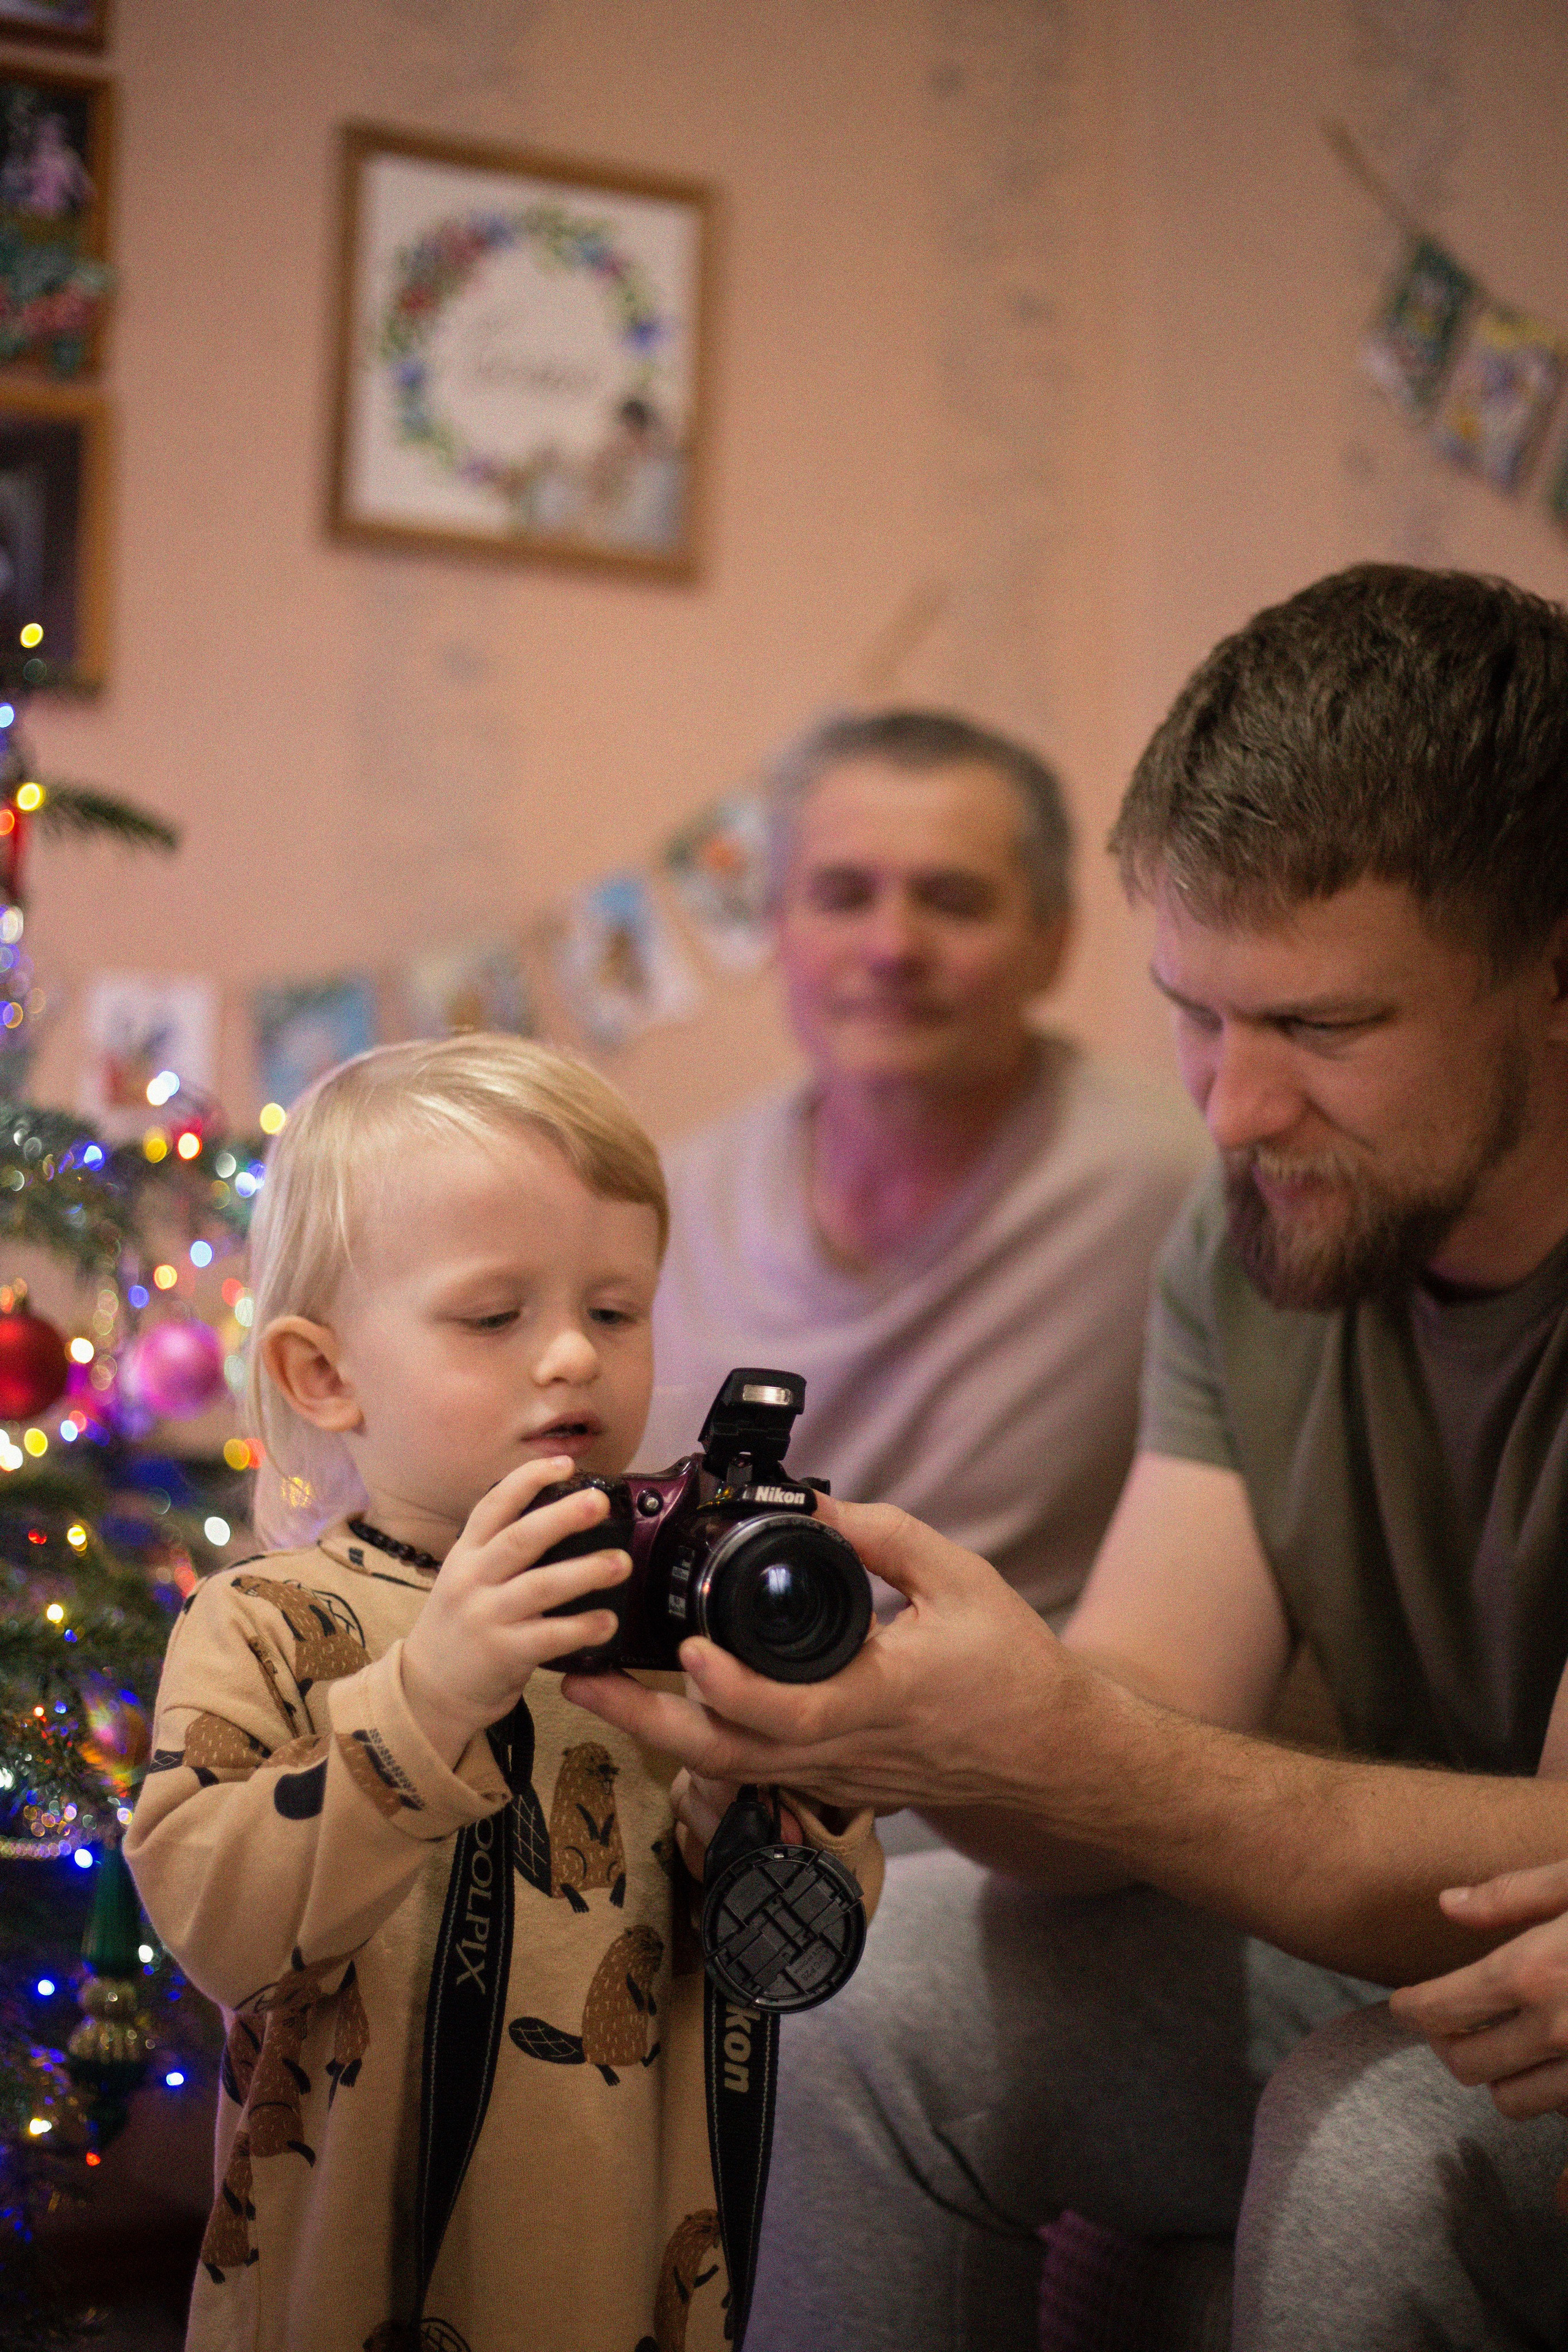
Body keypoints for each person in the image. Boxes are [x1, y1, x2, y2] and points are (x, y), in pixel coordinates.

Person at [572, 567, 1568, 2350]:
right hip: (1432, 1953)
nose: (1234, 1110)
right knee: (861, 2003)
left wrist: (1072, 1737)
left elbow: (1554, 1857)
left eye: (1325, 1030)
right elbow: (1137, 1714)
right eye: (1199, 1011)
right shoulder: (1256, 1225)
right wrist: (900, 1716)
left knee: (1380, 2147)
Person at [124, 1035, 880, 2352]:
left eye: (612, 1310)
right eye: (494, 1317)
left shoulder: (660, 1616)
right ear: (324, 1374)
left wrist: (763, 1784)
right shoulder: (271, 1622)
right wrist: (427, 1694)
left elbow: (805, 1931)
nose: (572, 1362)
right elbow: (216, 1921)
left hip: (628, 2279)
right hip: (352, 2291)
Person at [646, 708, 1207, 1624]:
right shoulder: (666, 1206)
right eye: (842, 895)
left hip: (1016, 1748)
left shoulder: (1178, 1190)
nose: (892, 949)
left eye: (953, 900)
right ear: (775, 927)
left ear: (1054, 941)